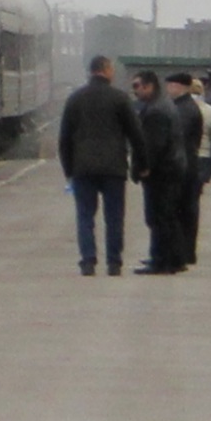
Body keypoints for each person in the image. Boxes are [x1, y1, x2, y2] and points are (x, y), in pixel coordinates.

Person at [58, 55, 148, 276]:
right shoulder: (120, 98)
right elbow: (135, 134)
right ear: (106, 70)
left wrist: (69, 170)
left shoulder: (75, 98)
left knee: (85, 216)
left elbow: (64, 139)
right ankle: (114, 262)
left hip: (83, 168)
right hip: (114, 168)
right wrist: (142, 163)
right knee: (114, 217)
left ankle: (88, 261)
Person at [129, 71, 188, 274]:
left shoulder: (156, 111)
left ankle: (161, 260)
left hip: (162, 172)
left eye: (137, 86)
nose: (135, 91)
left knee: (158, 216)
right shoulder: (163, 105)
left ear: (149, 86)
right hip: (172, 168)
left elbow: (153, 145)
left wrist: (143, 168)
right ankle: (175, 258)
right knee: (168, 216)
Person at [164, 73, 205, 266]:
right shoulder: (187, 107)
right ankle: (186, 251)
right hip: (189, 164)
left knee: (181, 211)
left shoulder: (183, 109)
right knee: (188, 210)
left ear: (180, 86)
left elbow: (176, 136)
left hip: (183, 166)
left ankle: (182, 252)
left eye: (171, 85)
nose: (168, 89)